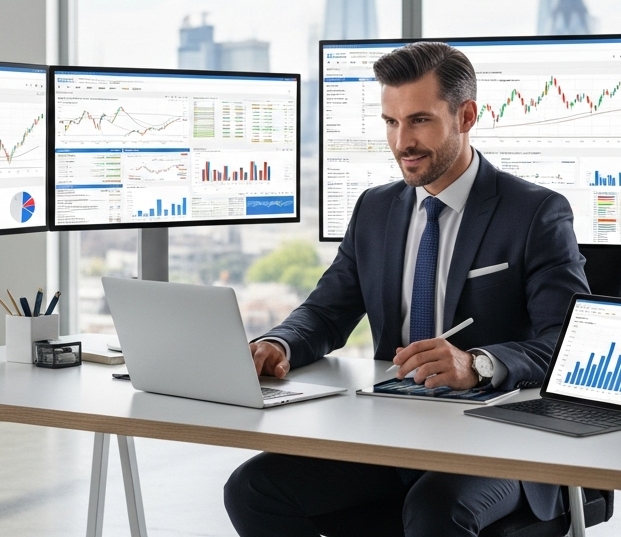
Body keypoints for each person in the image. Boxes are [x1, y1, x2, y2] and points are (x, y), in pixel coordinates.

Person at [223, 41, 590, 537]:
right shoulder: (375, 210)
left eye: (419, 120)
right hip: (392, 431)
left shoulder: (535, 214)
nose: (402, 143)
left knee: (435, 511)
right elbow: (326, 312)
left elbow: (569, 345)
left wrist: (477, 363)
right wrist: (278, 343)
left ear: (465, 116)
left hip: (503, 440)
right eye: (391, 123)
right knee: (252, 489)